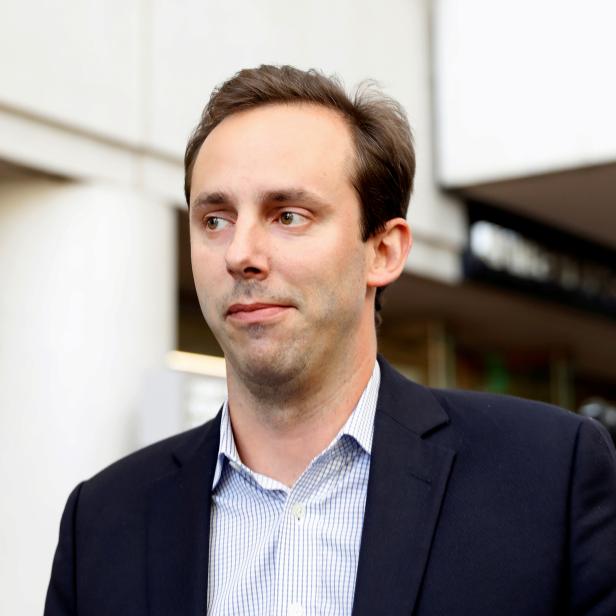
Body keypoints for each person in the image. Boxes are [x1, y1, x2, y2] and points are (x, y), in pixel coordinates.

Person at [45, 65, 616, 616]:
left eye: (288, 215)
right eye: (215, 219)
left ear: (383, 251)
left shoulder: (547, 476)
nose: (241, 253)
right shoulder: (102, 522)